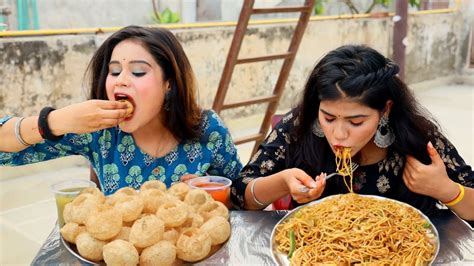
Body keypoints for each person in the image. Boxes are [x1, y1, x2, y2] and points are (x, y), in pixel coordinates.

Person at [230, 45, 474, 220]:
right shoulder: (298, 126)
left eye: (355, 122)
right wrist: (282, 182)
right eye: (328, 118)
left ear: (385, 110)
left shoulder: (417, 136)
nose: (338, 134)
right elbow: (239, 194)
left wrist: (447, 190)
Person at [0, 25, 242, 195]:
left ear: (169, 83)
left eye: (137, 71)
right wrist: (56, 121)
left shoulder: (208, 129)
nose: (120, 80)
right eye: (114, 71)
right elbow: (4, 150)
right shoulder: (99, 132)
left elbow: (241, 194)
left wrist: (211, 194)